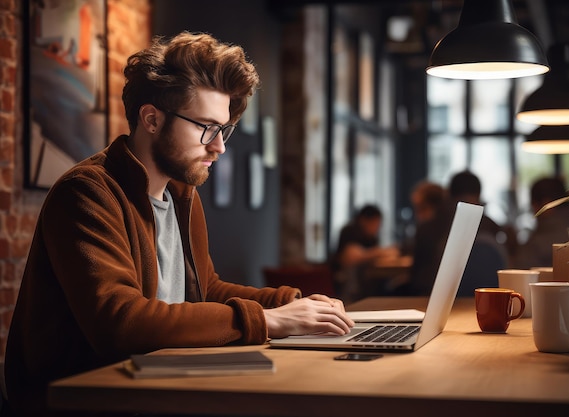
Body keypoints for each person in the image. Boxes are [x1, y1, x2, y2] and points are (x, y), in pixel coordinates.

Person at [4, 32, 353, 416]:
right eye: (206, 126)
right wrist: (268, 320)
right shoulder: (87, 193)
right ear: (152, 118)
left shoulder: (181, 193)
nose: (218, 146)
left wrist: (293, 305)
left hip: (156, 381)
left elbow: (206, 289)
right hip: (86, 397)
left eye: (223, 129)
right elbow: (122, 322)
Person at [331, 205, 399, 302]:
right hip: (346, 282)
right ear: (363, 220)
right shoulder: (350, 231)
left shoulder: (371, 237)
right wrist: (379, 252)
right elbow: (351, 257)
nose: (377, 228)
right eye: (375, 223)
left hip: (366, 280)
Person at [511, 176, 569, 269]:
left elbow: (520, 272)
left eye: (533, 205)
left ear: (547, 204)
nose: (533, 212)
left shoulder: (536, 244)